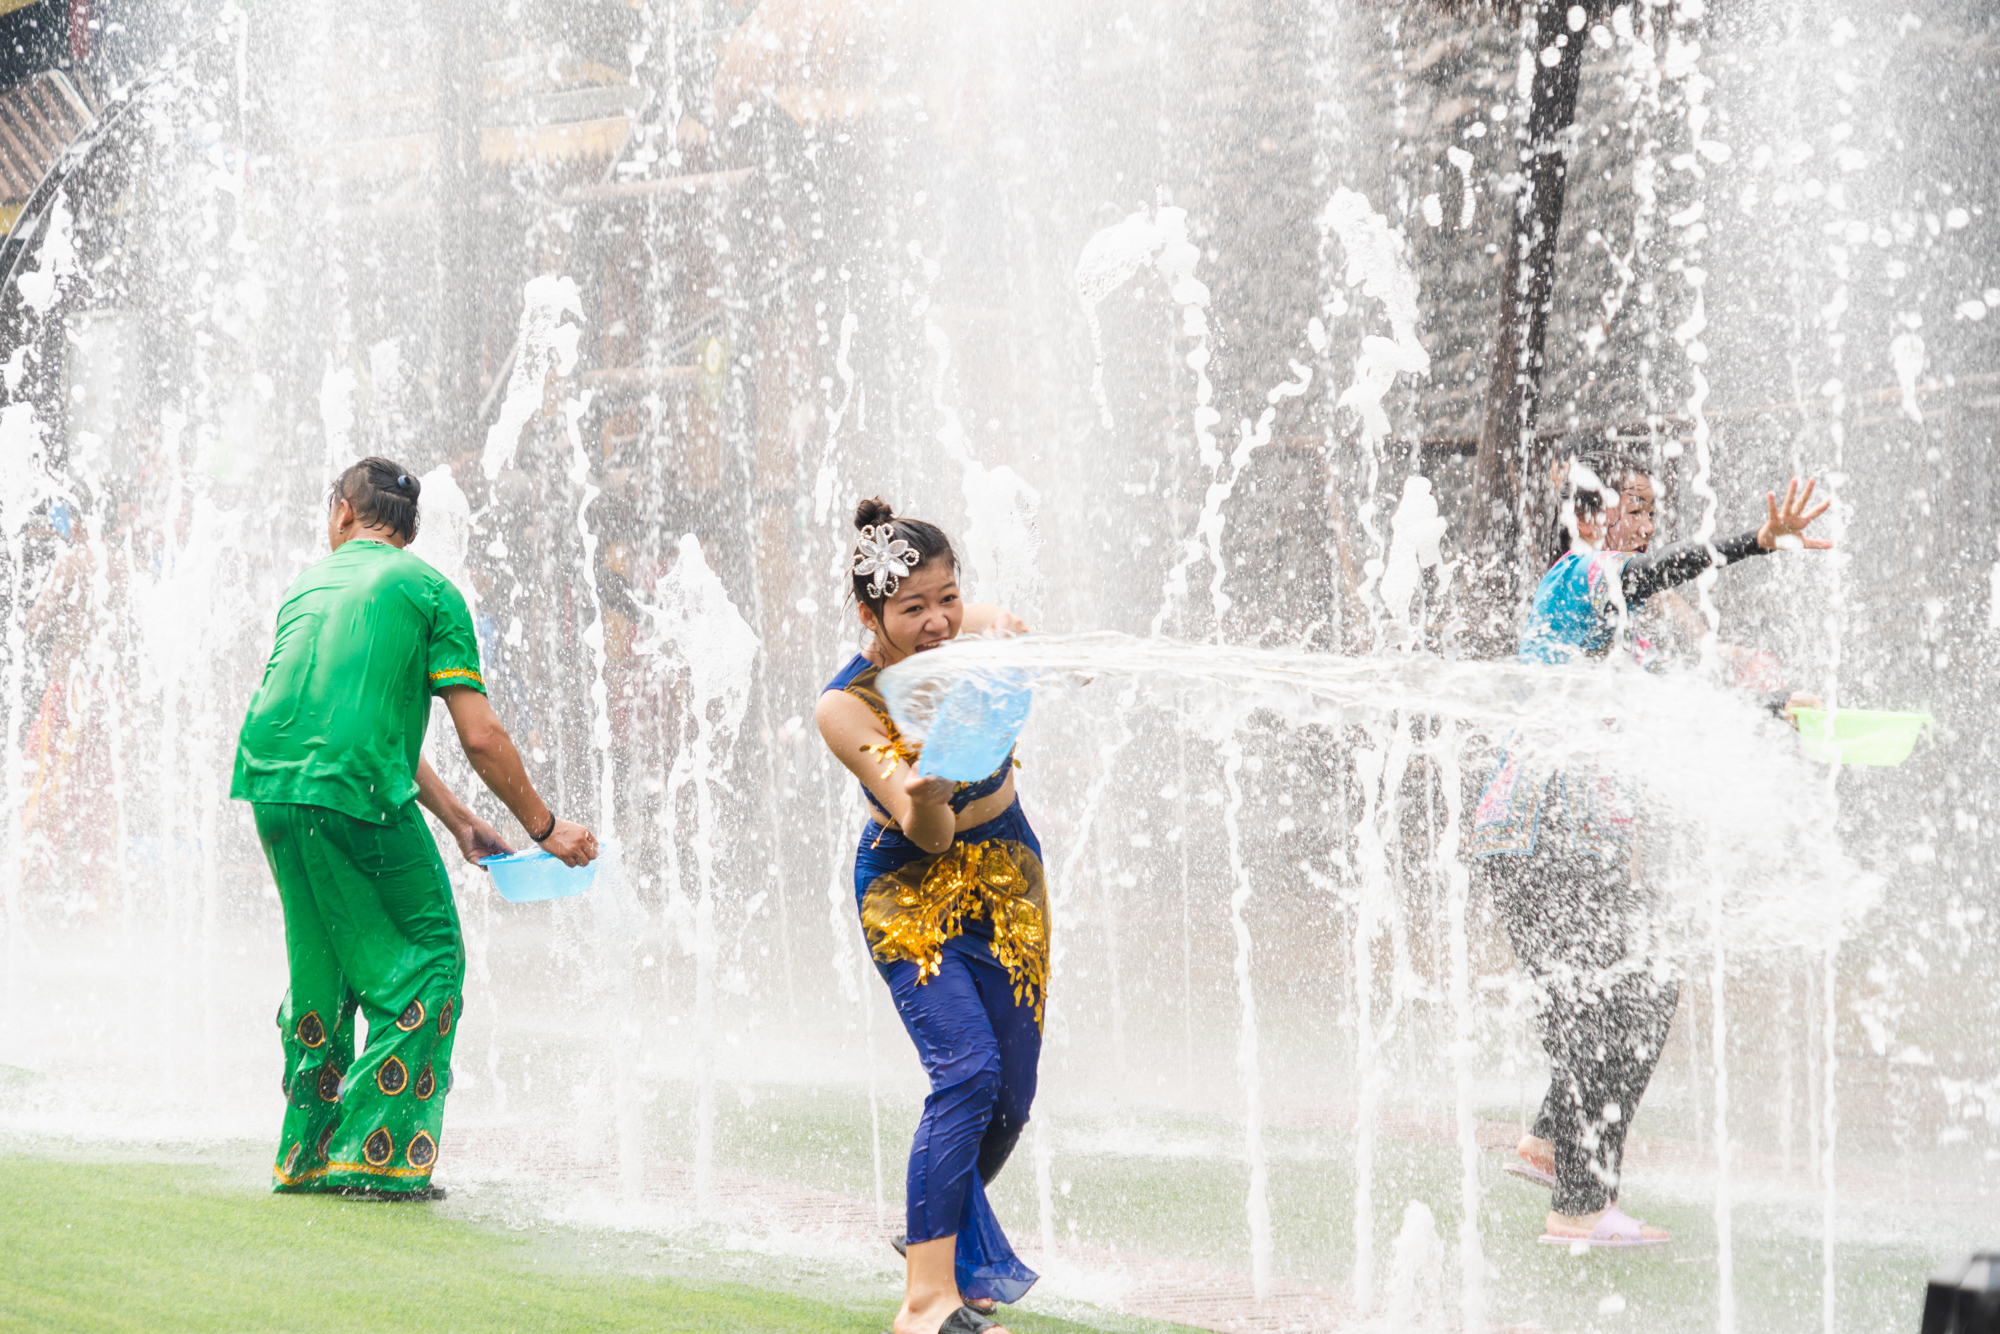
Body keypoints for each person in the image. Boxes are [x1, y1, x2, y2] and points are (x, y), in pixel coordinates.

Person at [1470, 451, 1830, 1248]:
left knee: (1642, 988)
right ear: (1587, 516)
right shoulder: (1577, 577)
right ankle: (1578, 1208)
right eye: (1631, 509)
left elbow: (1680, 697)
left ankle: (1546, 1143)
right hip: (1540, 834)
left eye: (1650, 512)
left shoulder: (1617, 630)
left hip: (1570, 838)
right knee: (1599, 1003)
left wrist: (1776, 705)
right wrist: (1754, 542)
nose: (1645, 526)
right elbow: (1648, 574)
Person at [231, 457, 598, 1200]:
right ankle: (373, 1153)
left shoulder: (308, 584)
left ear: (342, 513)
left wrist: (460, 819)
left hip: (271, 784)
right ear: (411, 529)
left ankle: (307, 1149)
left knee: (324, 963)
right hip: (354, 789)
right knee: (431, 959)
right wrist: (546, 825)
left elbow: (358, 730)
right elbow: (482, 736)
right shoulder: (430, 591)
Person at [814, 497, 1041, 1334]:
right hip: (910, 881)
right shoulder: (846, 706)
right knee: (967, 1073)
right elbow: (928, 831)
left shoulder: (960, 626)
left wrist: (1029, 654)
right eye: (913, 609)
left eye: (948, 596)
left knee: (1011, 1097)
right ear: (871, 614)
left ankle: (934, 1236)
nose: (940, 621)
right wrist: (931, 787)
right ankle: (926, 1300)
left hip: (1010, 871)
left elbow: (1007, 627)